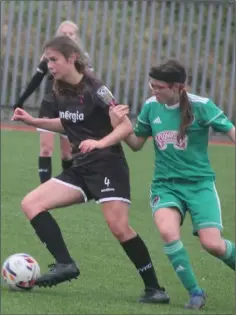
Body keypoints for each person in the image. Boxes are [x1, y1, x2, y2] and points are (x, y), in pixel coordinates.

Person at [12, 35, 170, 304]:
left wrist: (99, 143)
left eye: (53, 59)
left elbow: (125, 127)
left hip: (108, 164)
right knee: (31, 203)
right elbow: (68, 124)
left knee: (119, 228)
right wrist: (33, 121)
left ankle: (155, 289)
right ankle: (65, 264)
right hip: (80, 169)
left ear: (72, 58)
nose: (49, 65)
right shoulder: (59, 87)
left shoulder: (97, 89)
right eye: (46, 60)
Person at [110, 59, 235, 309]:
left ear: (178, 87)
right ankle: (195, 292)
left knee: (212, 244)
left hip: (200, 185)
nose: (154, 91)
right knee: (168, 232)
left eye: (159, 87)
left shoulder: (201, 106)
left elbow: (231, 130)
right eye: (152, 85)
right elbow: (136, 144)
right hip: (165, 186)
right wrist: (120, 127)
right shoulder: (150, 107)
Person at [14, 20, 93, 184]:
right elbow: (36, 79)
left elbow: (90, 84)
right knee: (46, 149)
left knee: (67, 154)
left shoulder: (82, 58)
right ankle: (45, 187)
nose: (67, 36)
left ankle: (69, 186)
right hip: (50, 105)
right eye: (64, 33)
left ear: (76, 37)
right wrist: (20, 101)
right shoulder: (49, 56)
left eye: (70, 34)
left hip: (69, 106)